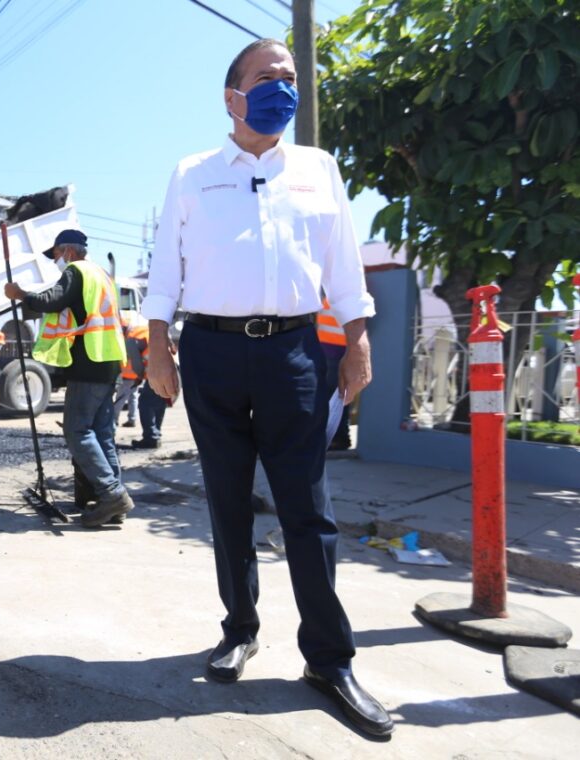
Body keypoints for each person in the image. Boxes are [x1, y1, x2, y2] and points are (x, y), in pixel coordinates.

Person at [141, 39, 391, 736]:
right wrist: (158, 347)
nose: (283, 87)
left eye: (290, 78)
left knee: (308, 511)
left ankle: (329, 660)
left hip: (294, 354)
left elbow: (343, 264)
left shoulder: (317, 168)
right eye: (267, 78)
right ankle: (239, 629)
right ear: (232, 97)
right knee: (227, 503)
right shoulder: (193, 174)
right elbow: (165, 270)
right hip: (212, 352)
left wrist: (358, 341)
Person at [3, 229, 131, 528]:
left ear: (69, 251)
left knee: (77, 430)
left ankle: (112, 494)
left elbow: (52, 299)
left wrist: (20, 294)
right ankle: (114, 503)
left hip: (90, 361)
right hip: (109, 360)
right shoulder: (102, 274)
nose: (56, 261)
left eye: (56, 254)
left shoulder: (77, 271)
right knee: (102, 433)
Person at [318, 299, 352, 450]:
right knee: (334, 392)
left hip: (338, 346)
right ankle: (337, 436)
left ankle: (339, 437)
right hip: (328, 344)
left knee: (336, 393)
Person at [113, 320, 149, 429]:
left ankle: (113, 420)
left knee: (120, 398)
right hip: (135, 375)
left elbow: (134, 359)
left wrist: (140, 374)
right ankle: (132, 419)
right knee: (133, 397)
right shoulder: (137, 333)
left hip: (130, 375)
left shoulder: (130, 339)